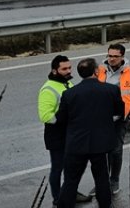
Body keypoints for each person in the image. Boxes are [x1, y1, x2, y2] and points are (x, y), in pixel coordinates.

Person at [56, 57, 124, 208]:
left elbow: (61, 118)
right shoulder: (110, 90)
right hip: (100, 144)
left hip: (76, 144)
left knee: (71, 181)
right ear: (96, 71)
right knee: (102, 179)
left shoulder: (70, 94)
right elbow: (120, 111)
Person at [98, 43, 130, 196]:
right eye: (109, 55)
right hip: (101, 119)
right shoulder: (100, 70)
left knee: (115, 151)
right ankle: (102, 182)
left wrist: (127, 117)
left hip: (119, 120)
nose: (111, 59)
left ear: (122, 56)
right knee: (101, 151)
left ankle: (114, 180)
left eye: (115, 56)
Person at [39, 55, 74, 207]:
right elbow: (46, 116)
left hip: (70, 133)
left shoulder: (67, 83)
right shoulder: (48, 89)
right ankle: (57, 198)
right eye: (64, 69)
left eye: (69, 68)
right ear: (54, 71)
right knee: (57, 167)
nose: (68, 71)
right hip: (56, 135)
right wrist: (64, 116)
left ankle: (69, 193)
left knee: (70, 167)